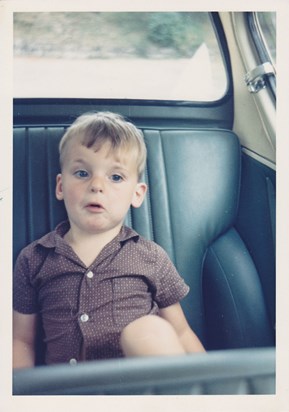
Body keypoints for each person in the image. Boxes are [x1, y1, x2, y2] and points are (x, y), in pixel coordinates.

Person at [13, 112, 205, 369]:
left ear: (137, 194)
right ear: (60, 186)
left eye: (115, 177)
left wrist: (216, 391)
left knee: (149, 331)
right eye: (82, 173)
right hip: (66, 395)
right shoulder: (33, 258)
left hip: (139, 393)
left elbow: (181, 332)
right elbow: (21, 341)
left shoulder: (150, 257)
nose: (97, 185)